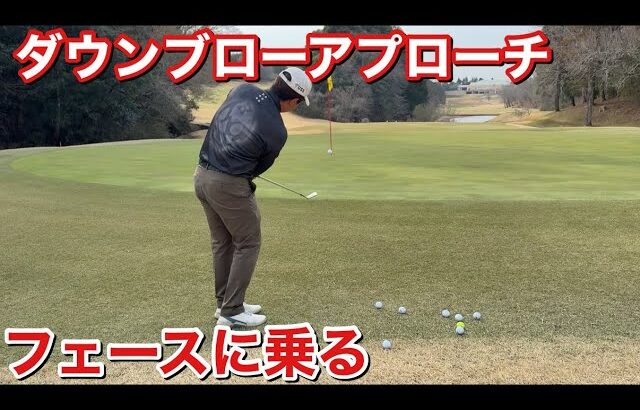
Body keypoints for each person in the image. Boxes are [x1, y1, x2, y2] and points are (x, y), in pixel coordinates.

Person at [193, 67, 312, 327]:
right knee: (248, 242)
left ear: (277, 83)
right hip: (228, 184)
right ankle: (232, 310)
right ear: (294, 100)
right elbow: (258, 167)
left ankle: (224, 303)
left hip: (201, 175)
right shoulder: (278, 131)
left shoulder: (242, 89)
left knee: (222, 242)